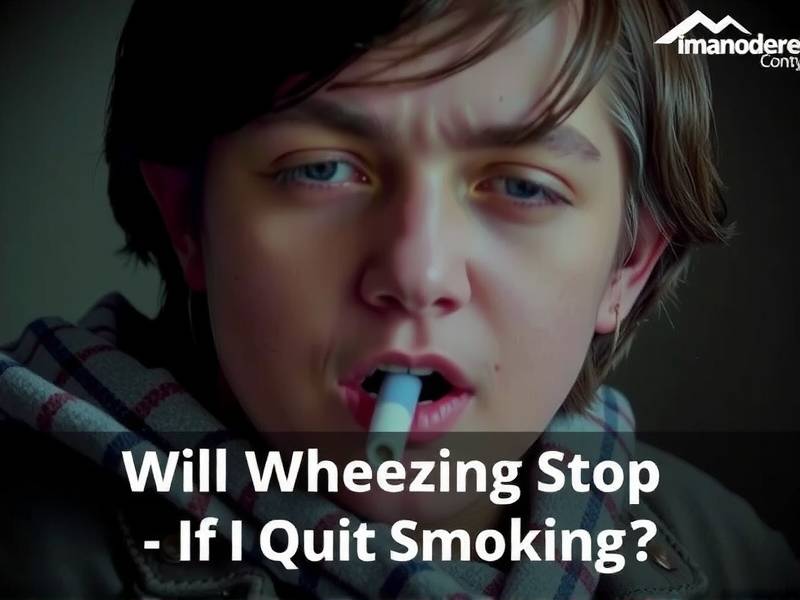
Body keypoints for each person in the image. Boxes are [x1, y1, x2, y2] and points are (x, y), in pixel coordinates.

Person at [1, 0, 798, 598]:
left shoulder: (743, 562)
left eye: (523, 186)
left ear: (627, 267)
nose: (419, 274)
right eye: (321, 170)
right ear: (188, 221)